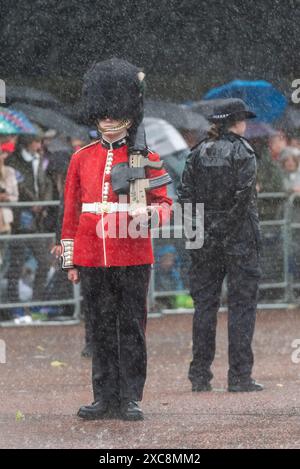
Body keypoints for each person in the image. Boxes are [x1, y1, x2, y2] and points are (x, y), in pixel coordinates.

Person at [60, 58, 172, 420]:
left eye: (113, 114)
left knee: (131, 328)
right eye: (102, 115)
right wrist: (70, 259)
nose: (107, 120)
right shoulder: (81, 158)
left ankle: (129, 397)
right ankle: (104, 396)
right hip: (92, 254)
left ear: (127, 114)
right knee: (100, 328)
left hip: (133, 252)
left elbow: (167, 203)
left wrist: (151, 214)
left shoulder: (147, 157)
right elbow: (71, 212)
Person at [178, 98, 263, 393]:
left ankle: (200, 374)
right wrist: (226, 229)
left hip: (204, 239)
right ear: (237, 122)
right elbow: (243, 199)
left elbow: (185, 196)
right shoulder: (244, 152)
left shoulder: (197, 152)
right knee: (241, 307)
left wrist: (201, 234)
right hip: (238, 239)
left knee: (205, 307)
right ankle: (239, 376)